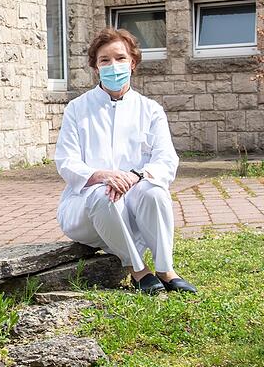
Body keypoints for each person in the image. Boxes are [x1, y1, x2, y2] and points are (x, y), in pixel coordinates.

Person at [54, 28, 197, 295]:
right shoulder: (77, 108)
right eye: (104, 60)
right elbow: (66, 160)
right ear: (96, 67)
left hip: (134, 201)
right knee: (104, 196)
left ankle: (166, 271)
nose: (113, 66)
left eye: (120, 58)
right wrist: (103, 176)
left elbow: (166, 159)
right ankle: (138, 270)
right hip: (86, 208)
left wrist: (134, 176)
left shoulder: (150, 109)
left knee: (154, 191)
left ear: (132, 63)